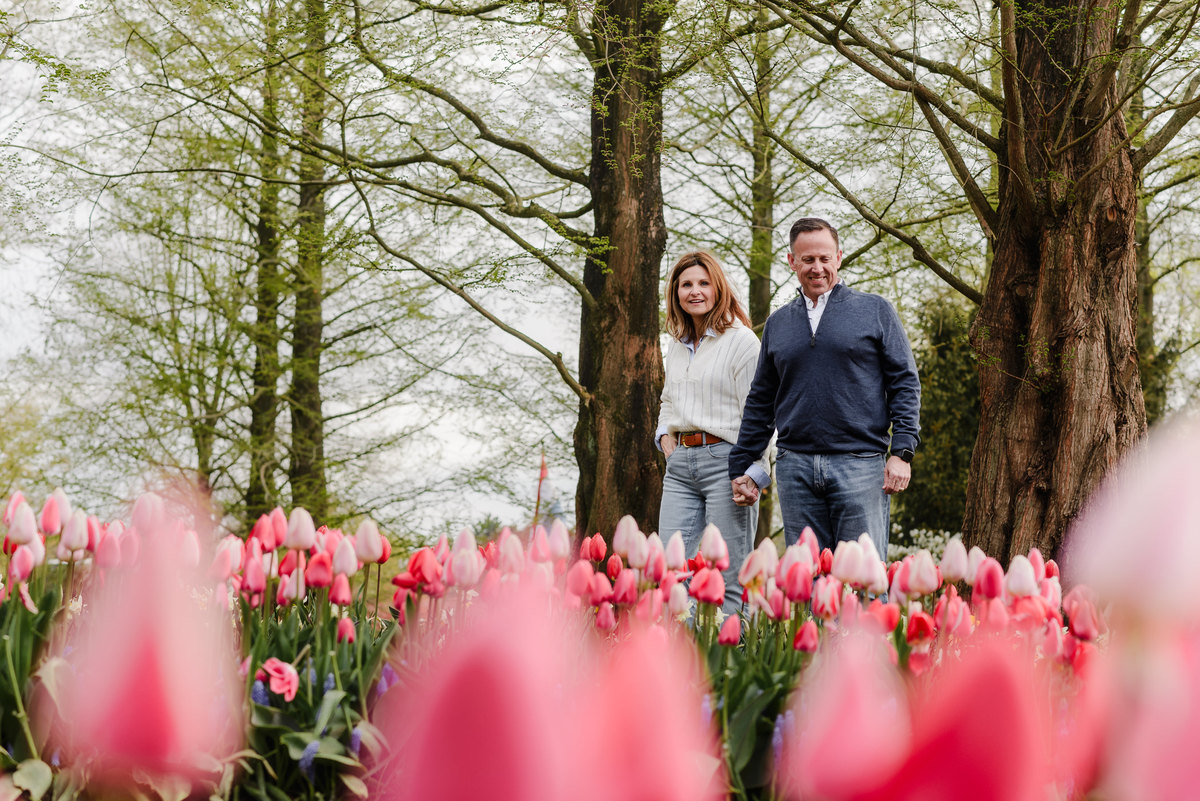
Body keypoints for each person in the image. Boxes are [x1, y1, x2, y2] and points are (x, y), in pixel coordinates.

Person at [727, 217, 920, 558]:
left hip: (860, 464)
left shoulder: (875, 311)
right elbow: (761, 401)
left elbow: (904, 382)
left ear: (839, 258)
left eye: (824, 258)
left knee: (864, 584)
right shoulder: (778, 323)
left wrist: (902, 452)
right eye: (808, 260)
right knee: (807, 585)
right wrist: (743, 464)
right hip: (795, 466)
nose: (817, 268)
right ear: (792, 262)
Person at [657, 251, 770, 615]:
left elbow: (762, 413)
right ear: (675, 292)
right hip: (680, 468)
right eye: (686, 284)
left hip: (728, 463)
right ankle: (684, 665)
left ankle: (728, 666)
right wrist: (664, 437)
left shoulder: (742, 341)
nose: (695, 291)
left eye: (703, 283)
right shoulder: (675, 346)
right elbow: (668, 400)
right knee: (673, 574)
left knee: (728, 577)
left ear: (718, 288)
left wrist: (754, 474)